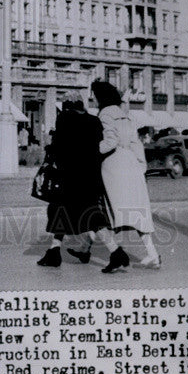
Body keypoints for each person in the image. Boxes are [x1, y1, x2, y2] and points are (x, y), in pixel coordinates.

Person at [37, 92, 129, 274]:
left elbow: (59, 147)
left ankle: (117, 253)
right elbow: (98, 146)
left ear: (67, 105)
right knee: (72, 213)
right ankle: (54, 252)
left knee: (72, 214)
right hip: (90, 177)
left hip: (69, 177)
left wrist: (50, 149)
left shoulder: (64, 119)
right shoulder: (94, 121)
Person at [91, 79, 161, 270]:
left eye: (94, 96)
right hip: (131, 162)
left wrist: (92, 149)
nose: (93, 100)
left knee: (107, 210)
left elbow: (110, 141)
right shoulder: (126, 115)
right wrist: (141, 164)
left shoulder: (105, 114)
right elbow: (136, 143)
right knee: (137, 212)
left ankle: (90, 248)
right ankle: (152, 254)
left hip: (114, 165)